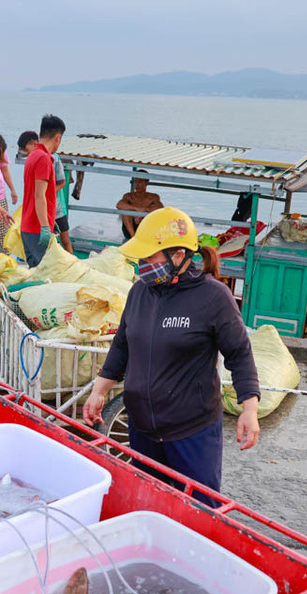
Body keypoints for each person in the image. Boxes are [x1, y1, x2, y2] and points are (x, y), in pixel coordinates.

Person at [82, 207, 260, 507]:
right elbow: (122, 346)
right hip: (142, 431)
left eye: (149, 258)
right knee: (148, 507)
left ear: (178, 256)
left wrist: (249, 410)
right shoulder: (140, 293)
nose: (142, 266)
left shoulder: (214, 298)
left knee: (198, 513)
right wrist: (99, 391)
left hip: (192, 434)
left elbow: (239, 352)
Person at [19, 114, 65, 268]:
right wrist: (45, 226)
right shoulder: (44, 159)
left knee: (34, 274)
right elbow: (39, 195)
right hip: (37, 228)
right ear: (57, 138)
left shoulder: (33, 156)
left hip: (27, 225)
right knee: (46, 274)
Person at [116, 173, 164, 241]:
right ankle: (133, 238)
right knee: (126, 211)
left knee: (155, 212)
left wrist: (143, 213)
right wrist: (136, 210)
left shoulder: (153, 197)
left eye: (140, 182)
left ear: (147, 182)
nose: (137, 185)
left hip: (145, 228)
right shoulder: (129, 196)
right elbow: (119, 205)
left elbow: (160, 208)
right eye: (135, 182)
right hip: (130, 230)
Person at [53, 148, 74, 254]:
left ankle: (73, 263)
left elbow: (62, 182)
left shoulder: (55, 158)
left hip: (58, 210)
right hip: (44, 211)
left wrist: (48, 192)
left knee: (65, 240)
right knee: (50, 242)